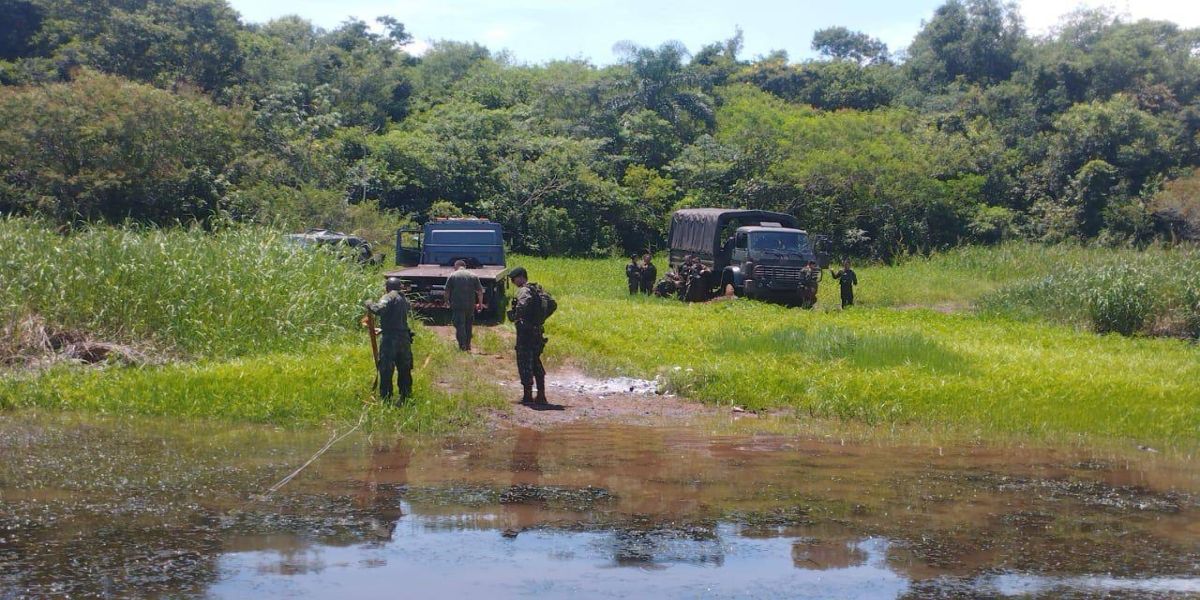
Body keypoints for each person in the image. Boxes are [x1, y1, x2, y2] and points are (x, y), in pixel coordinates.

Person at [363, 277, 413, 403]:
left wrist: (369, 303)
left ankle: (386, 397)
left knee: (386, 368)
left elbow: (379, 310)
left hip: (391, 340)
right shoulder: (404, 299)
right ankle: (406, 395)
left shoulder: (388, 297)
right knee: (404, 368)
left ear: (387, 287)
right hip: (404, 338)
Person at [506, 267, 549, 405]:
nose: (513, 282)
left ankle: (527, 396)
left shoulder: (524, 290)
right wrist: (540, 319)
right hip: (537, 331)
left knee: (524, 362)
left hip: (526, 332)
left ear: (521, 277)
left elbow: (522, 305)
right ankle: (541, 395)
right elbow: (552, 304)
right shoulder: (538, 290)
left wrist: (515, 315)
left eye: (514, 279)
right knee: (536, 361)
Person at [444, 259, 483, 351]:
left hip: (458, 305)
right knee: (468, 324)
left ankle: (462, 346)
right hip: (470, 305)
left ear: (456, 266)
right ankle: (468, 344)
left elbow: (447, 291)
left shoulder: (452, 276)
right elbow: (480, 291)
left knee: (460, 324)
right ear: (465, 266)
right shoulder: (473, 276)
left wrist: (446, 301)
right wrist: (480, 304)